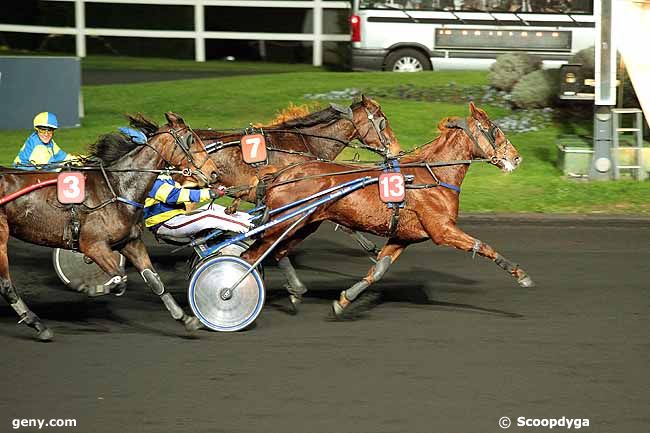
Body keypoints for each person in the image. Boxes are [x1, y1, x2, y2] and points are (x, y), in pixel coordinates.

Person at [144, 173, 254, 241]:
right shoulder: (151, 181)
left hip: (177, 218)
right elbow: (175, 195)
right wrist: (210, 193)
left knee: (212, 208)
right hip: (165, 224)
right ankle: (251, 227)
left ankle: (251, 219)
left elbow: (184, 192)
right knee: (209, 216)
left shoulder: (165, 177)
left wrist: (212, 190)